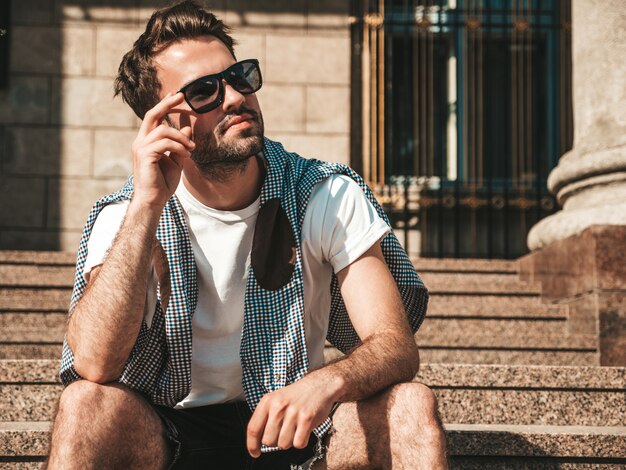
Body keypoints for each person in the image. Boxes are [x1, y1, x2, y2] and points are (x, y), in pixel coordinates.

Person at [45, 1, 448, 468]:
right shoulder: (125, 216)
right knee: (84, 405)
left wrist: (324, 383)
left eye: (238, 78)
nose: (235, 98)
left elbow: (394, 346)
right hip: (172, 432)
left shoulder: (324, 193)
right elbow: (94, 364)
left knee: (410, 408)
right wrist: (146, 208)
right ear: (161, 123)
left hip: (297, 428)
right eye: (203, 92)